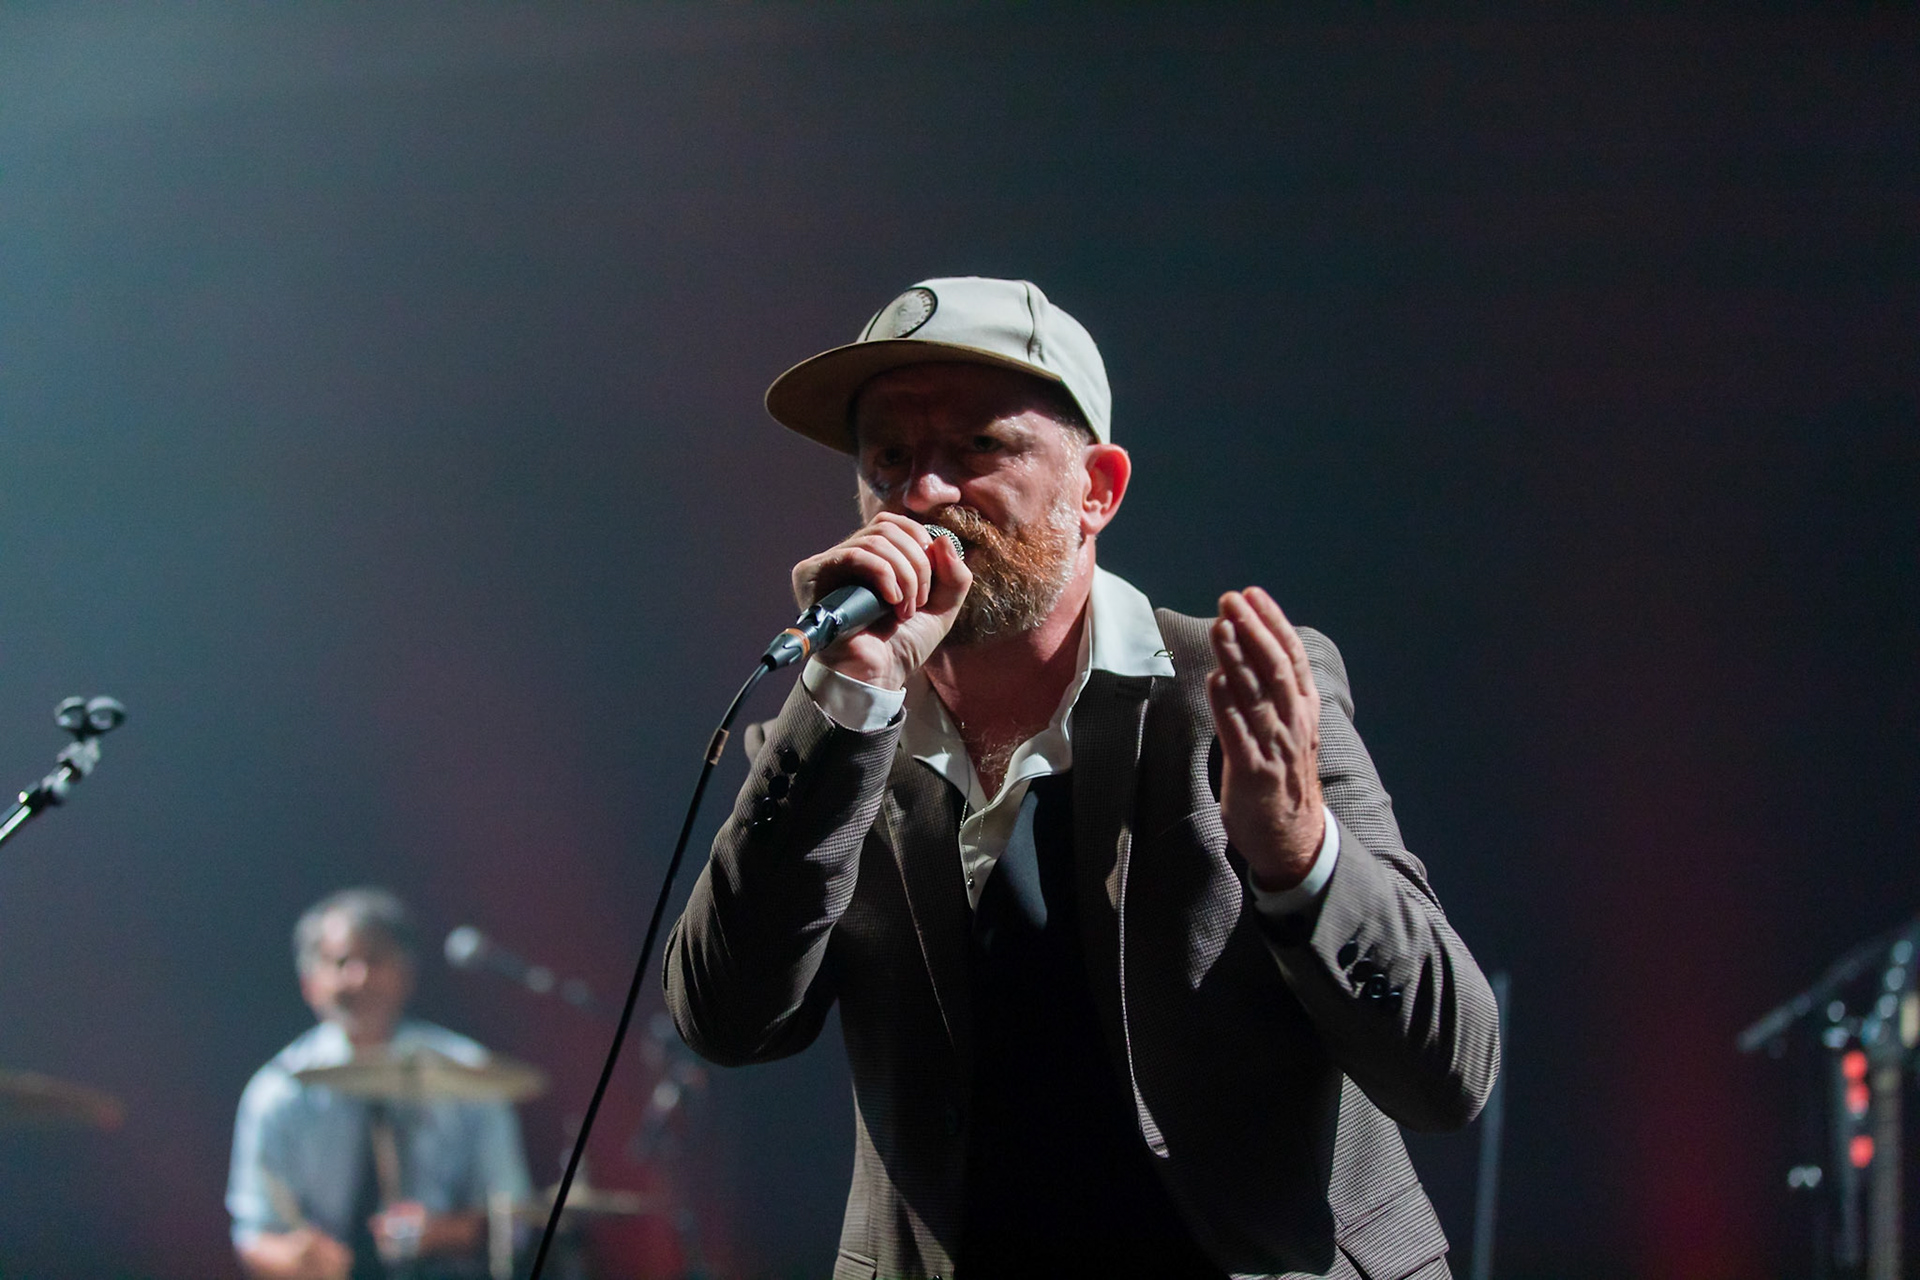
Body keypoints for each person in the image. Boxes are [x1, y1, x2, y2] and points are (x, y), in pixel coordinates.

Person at [664, 276, 1501, 1280]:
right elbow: (726, 1017)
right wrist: (847, 695)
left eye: (979, 447)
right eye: (890, 454)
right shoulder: (839, 737)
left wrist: (1299, 857)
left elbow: (1451, 1069)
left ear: (1096, 489)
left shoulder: (1226, 690)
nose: (923, 490)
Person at [228, 888, 533, 1280]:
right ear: (309, 982)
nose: (359, 978)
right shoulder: (277, 1092)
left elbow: (515, 1220)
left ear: (406, 975)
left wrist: (442, 1233)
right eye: (340, 962)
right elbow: (253, 1233)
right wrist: (295, 1258)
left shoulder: (471, 1073)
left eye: (375, 960)